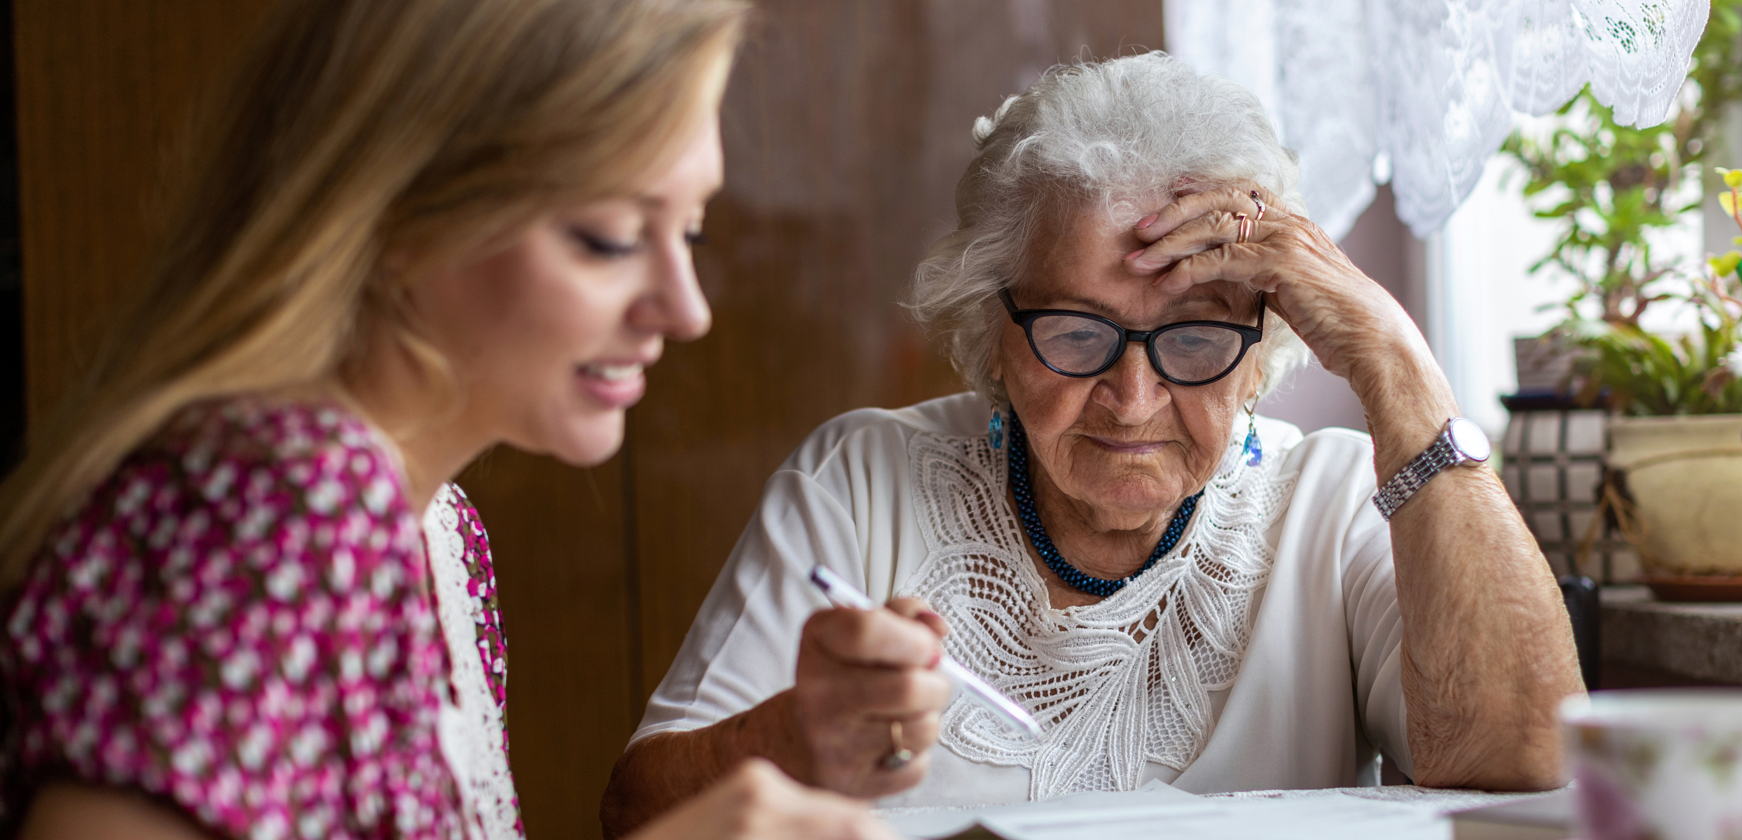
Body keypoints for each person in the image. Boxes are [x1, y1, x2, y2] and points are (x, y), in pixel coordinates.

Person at [601, 51, 1582, 832]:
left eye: (1195, 337)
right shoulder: (863, 480)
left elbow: (1532, 766)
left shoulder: (1329, 504)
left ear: (1258, 347)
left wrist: (1392, 360)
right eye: (1076, 333)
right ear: (994, 332)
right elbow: (639, 816)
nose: (1132, 396)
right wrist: (795, 735)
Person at [0, 0, 891, 837]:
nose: (686, 308)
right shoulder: (274, 514)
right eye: (612, 237)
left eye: (690, 232)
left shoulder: (440, 532)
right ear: (399, 211)